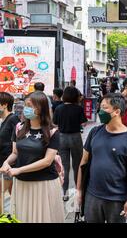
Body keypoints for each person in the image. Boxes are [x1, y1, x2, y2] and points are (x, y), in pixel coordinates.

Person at [76, 93, 127, 223]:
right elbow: (83, 162)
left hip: (117, 198)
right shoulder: (95, 132)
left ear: (117, 111)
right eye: (100, 107)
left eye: (105, 108)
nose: (100, 112)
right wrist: (79, 190)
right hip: (92, 195)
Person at [0, 91, 64, 223]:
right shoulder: (19, 128)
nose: (26, 109)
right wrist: (6, 163)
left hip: (43, 184)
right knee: (23, 217)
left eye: (30, 105)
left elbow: (47, 161)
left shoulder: (53, 132)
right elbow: (15, 153)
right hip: (22, 183)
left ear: (41, 108)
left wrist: (19, 170)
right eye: (26, 105)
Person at [53, 86, 87, 201]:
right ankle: (78, 191)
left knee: (64, 166)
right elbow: (83, 123)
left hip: (61, 138)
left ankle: (65, 193)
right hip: (75, 137)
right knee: (77, 165)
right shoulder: (78, 108)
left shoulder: (58, 108)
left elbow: (55, 123)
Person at [0, 92, 20, 206]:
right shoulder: (4, 121)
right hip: (4, 164)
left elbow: (17, 141)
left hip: (9, 165)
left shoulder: (13, 119)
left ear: (4, 105)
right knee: (13, 194)